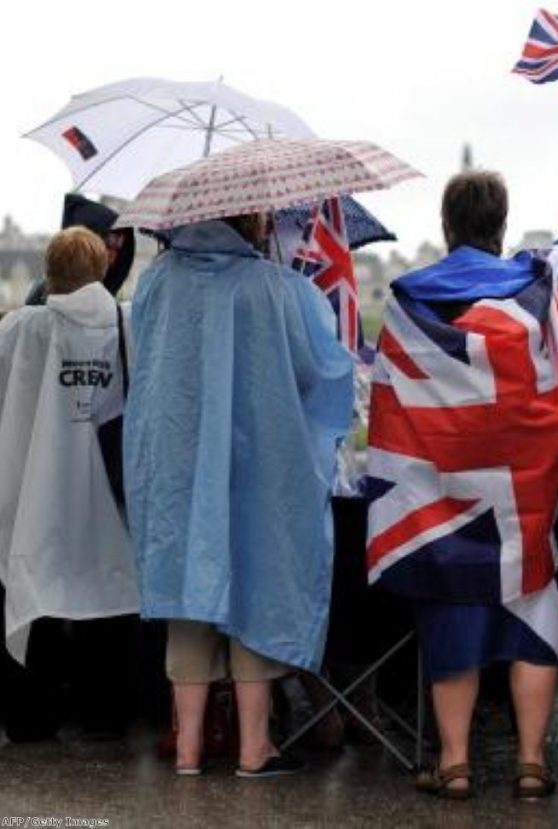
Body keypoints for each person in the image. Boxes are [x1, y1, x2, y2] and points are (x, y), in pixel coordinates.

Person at [367, 147, 558, 800]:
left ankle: (454, 762)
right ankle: (532, 761)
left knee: (452, 611)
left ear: (448, 225)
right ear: (501, 224)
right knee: (535, 613)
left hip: (443, 500)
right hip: (528, 495)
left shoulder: (406, 304)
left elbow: (390, 405)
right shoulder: (538, 283)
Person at [124, 212, 353, 777]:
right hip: (264, 466)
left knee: (187, 593)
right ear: (254, 216)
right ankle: (255, 748)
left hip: (178, 465)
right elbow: (326, 373)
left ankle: (187, 751)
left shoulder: (155, 283)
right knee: (258, 589)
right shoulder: (280, 289)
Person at [0, 227, 138, 740]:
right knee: (109, 594)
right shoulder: (127, 326)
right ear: (103, 269)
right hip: (108, 490)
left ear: (50, 273)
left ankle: (30, 718)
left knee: (35, 590)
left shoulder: (21, 328)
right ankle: (105, 716)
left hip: (32, 482)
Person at [24, 194, 136, 306]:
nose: (113, 257)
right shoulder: (42, 297)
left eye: (118, 248)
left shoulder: (107, 292)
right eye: (106, 245)